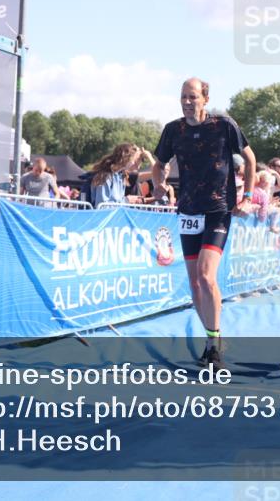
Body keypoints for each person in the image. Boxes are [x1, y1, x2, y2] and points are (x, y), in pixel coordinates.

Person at [152, 78, 255, 368]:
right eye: (183, 96)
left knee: (206, 275)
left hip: (218, 209)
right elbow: (158, 164)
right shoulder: (173, 130)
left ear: (205, 99)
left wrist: (247, 196)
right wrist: (159, 184)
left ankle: (212, 346)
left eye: (193, 97)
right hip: (188, 211)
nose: (187, 102)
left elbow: (249, 158)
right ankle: (214, 336)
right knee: (194, 283)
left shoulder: (224, 125)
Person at [87, 143, 147, 208]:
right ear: (126, 158)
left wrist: (129, 202)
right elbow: (102, 207)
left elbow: (118, 202)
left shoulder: (121, 176)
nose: (136, 165)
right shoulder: (105, 176)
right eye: (134, 160)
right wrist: (126, 200)